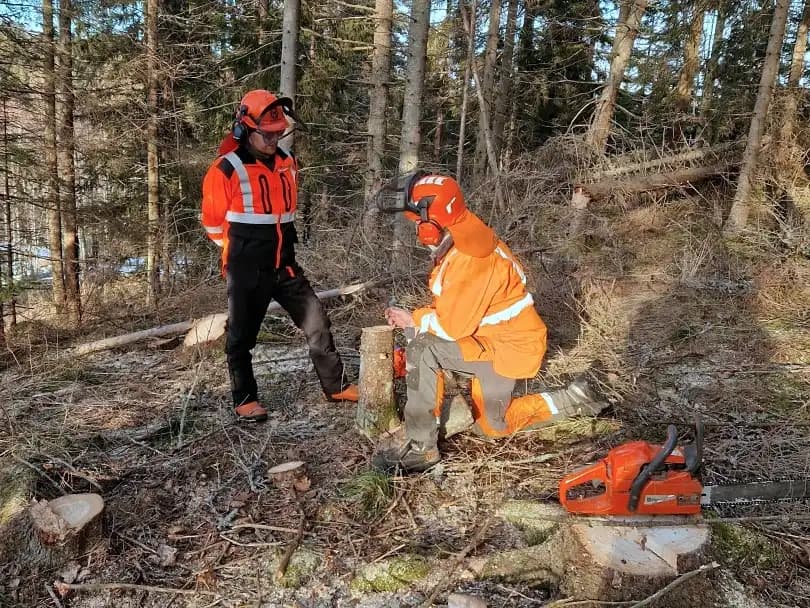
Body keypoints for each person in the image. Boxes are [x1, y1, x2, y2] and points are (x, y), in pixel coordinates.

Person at [374, 173, 604, 472]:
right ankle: (574, 396)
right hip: (490, 341)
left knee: (431, 358)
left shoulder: (472, 259)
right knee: (429, 352)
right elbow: (455, 305)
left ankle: (422, 450)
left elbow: (451, 328)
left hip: (508, 349)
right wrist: (416, 321)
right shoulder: (463, 235)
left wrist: (415, 319)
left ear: (433, 222)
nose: (417, 229)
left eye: (417, 222)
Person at [201, 89, 358, 422]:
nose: (273, 139)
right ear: (245, 128)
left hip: (284, 261)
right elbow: (213, 225)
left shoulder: (288, 163)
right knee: (242, 335)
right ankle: (244, 399)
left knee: (317, 320)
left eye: (278, 133)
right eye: (267, 134)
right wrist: (237, 254)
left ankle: (337, 386)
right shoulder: (226, 169)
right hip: (247, 265)